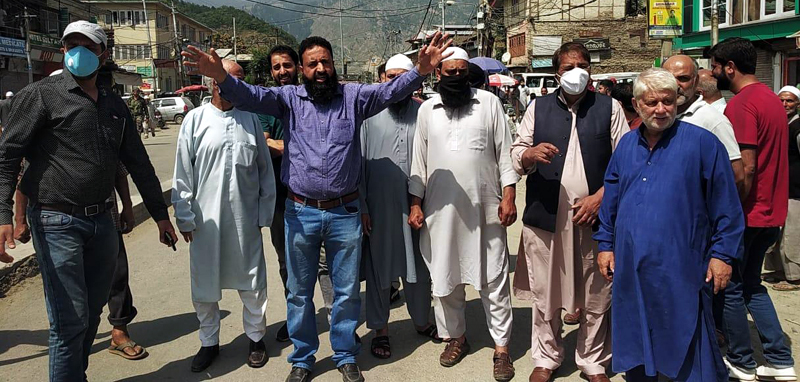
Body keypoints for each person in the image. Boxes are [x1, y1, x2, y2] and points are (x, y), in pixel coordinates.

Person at [182, 33, 452, 382]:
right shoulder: (288, 99)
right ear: (303, 69)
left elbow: (389, 92)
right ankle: (303, 358)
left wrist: (420, 70)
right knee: (299, 293)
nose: (321, 69)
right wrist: (220, 76)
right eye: (313, 64)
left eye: (326, 61)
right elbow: (249, 95)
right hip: (300, 212)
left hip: (345, 212)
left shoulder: (353, 97)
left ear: (333, 64)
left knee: (345, 291)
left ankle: (344, 354)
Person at [0, 21, 177, 381]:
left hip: (103, 222)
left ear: (103, 54)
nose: (76, 52)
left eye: (86, 45)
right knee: (69, 321)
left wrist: (159, 215)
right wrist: (5, 214)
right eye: (70, 46)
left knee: (92, 311)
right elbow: (7, 156)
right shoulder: (41, 95)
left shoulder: (115, 105)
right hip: (55, 219)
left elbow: (138, 163)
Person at [595, 67, 744, 382]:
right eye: (651, 103)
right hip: (632, 264)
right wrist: (605, 245)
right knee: (637, 333)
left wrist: (722, 256)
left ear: (678, 101)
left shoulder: (702, 144)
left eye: (667, 101)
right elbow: (611, 199)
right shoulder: (626, 146)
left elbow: (726, 206)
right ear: (637, 105)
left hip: (682, 265)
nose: (660, 109)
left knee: (687, 334)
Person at [511, 42, 627, 382]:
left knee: (596, 291)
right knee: (545, 291)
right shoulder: (538, 107)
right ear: (556, 73)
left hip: (594, 220)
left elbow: (624, 163)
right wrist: (530, 154)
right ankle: (546, 356)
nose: (575, 72)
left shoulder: (610, 108)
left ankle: (592, 360)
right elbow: (517, 153)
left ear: (590, 70)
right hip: (546, 218)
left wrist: (601, 198)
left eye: (582, 65)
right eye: (567, 67)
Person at [408, 46, 519, 382]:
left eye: (460, 72)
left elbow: (505, 153)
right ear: (438, 74)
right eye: (448, 72)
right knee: (445, 278)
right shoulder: (427, 110)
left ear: (467, 72)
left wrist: (510, 195)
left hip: (485, 206)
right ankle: (456, 338)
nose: (455, 78)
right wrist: (415, 202)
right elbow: (419, 161)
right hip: (440, 211)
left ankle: (502, 348)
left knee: (494, 278)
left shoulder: (489, 103)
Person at [172, 59, 276, 372]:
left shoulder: (251, 120)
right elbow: (182, 173)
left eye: (239, 79)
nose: (232, 84)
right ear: (211, 82)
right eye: (225, 77)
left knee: (252, 280)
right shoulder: (194, 120)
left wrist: (263, 214)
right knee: (205, 283)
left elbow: (264, 171)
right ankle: (209, 342)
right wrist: (184, 216)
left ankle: (256, 338)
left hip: (245, 219)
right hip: (206, 221)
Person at [710, 37, 797, 381]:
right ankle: (778, 357)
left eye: (716, 65)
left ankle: (741, 361)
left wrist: (727, 216)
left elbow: (745, 168)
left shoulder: (742, 104)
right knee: (751, 285)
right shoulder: (772, 100)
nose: (714, 71)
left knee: (731, 286)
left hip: (748, 213)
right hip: (771, 212)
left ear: (729, 67)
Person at [359, 53, 439, 360]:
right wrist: (363, 205)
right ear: (382, 80)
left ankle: (421, 321)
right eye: (390, 77)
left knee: (420, 268)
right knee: (380, 270)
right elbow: (358, 165)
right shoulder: (366, 115)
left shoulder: (425, 113)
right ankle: (380, 329)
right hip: (379, 209)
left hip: (420, 207)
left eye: (401, 77)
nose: (395, 84)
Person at [260, 44, 335, 343]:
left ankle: (334, 316)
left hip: (320, 195)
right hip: (281, 195)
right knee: (287, 260)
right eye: (276, 67)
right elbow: (265, 142)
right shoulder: (270, 103)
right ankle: (298, 319)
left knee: (326, 261)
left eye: (287, 65)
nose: (282, 72)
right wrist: (303, 149)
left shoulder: (317, 96)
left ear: (300, 68)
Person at [662, 55, 744, 179]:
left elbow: (736, 175)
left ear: (695, 81)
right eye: (668, 78)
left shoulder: (713, 121)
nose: (675, 84)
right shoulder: (658, 117)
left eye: (683, 78)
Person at [765, 85, 800, 291]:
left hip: (795, 190)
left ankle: (795, 277)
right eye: (781, 100)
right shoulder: (779, 124)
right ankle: (779, 271)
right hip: (779, 188)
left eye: (789, 101)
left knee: (792, 235)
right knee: (777, 233)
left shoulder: (797, 127)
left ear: (797, 104)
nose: (785, 104)